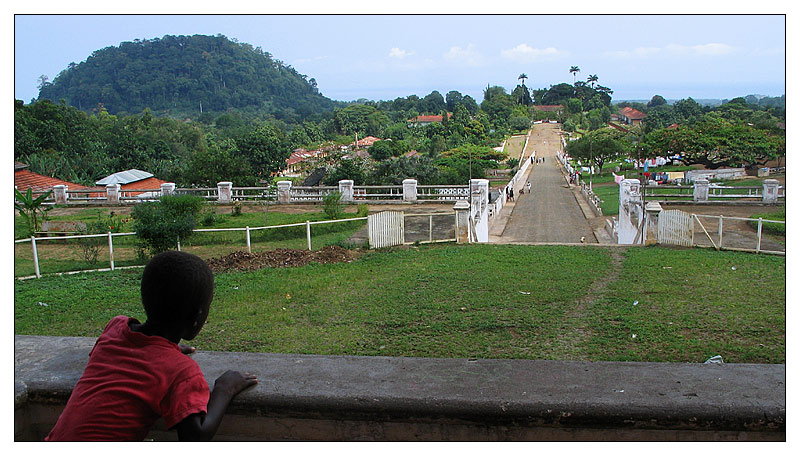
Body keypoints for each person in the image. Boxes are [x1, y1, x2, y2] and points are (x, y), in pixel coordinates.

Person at [46, 251, 258, 441]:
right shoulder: (181, 372)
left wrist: (163, 349)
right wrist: (225, 389)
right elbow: (196, 435)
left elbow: (125, 358)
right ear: (197, 317)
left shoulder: (115, 328)